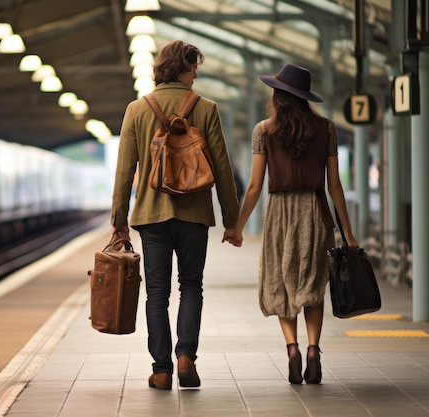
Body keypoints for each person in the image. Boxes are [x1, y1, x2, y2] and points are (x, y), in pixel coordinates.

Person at [110, 40, 240, 390]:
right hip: (194, 213)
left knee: (156, 293)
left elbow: (125, 171)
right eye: (193, 66)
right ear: (179, 68)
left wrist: (118, 221)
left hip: (151, 217)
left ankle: (162, 369)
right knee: (191, 286)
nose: (196, 72)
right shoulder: (206, 108)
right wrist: (232, 220)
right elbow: (222, 168)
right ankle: (186, 358)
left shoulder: (137, 110)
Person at [228, 64, 358, 384]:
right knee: (313, 286)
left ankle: (293, 349)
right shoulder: (326, 129)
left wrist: (238, 226)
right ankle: (314, 350)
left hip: (279, 214)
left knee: (282, 282)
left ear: (278, 96)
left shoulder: (263, 131)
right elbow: (335, 186)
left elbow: (255, 185)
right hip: (315, 211)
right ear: (304, 98)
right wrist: (349, 234)